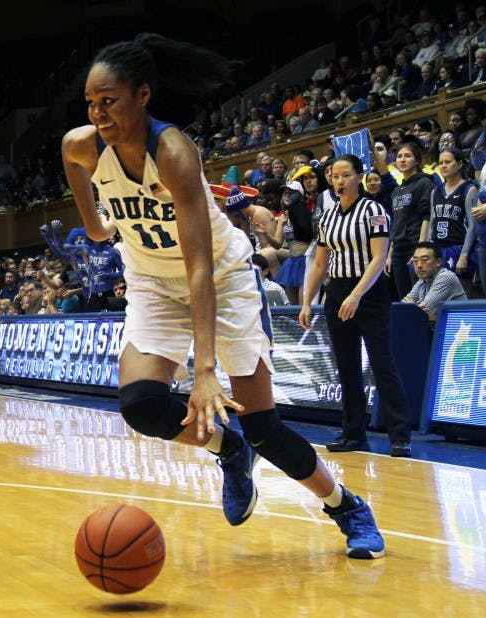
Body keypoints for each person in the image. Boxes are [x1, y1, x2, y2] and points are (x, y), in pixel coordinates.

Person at [62, 33, 385, 558]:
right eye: (91, 103)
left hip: (222, 280)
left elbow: (200, 268)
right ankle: (227, 449)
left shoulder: (173, 153)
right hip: (151, 283)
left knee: (264, 428)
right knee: (142, 405)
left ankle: (346, 506)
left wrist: (205, 368)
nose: (99, 114)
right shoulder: (79, 145)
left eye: (110, 101)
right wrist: (98, 228)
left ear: (142, 96)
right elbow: (92, 212)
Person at [299, 155, 413, 458]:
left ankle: (400, 435)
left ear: (359, 177)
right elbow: (321, 262)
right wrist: (307, 301)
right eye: (334, 176)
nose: (339, 181)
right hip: (336, 292)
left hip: (370, 293)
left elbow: (378, 258)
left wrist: (357, 295)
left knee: (381, 363)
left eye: (345, 175)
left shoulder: (373, 211)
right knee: (346, 366)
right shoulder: (327, 216)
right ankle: (353, 434)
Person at [377, 138, 433, 299]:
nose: (402, 159)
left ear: (416, 160)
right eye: (400, 156)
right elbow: (397, 223)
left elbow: (427, 216)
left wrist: (420, 248)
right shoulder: (397, 190)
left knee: (421, 297)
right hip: (398, 250)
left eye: (407, 156)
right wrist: (389, 255)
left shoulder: (424, 183)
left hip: (414, 247)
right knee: (405, 298)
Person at [430, 147, 479, 286]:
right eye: (440, 163)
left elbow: (473, 226)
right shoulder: (436, 191)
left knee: (461, 295)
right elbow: (432, 222)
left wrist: (464, 255)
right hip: (439, 249)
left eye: (448, 162)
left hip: (458, 247)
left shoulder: (469, 189)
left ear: (459, 164)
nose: (443, 165)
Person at [403, 242, 468, 322]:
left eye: (424, 260)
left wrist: (414, 307)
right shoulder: (422, 280)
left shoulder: (446, 277)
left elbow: (419, 314)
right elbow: (402, 309)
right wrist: (414, 308)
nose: (419, 265)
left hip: (457, 330)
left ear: (438, 262)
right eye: (415, 261)